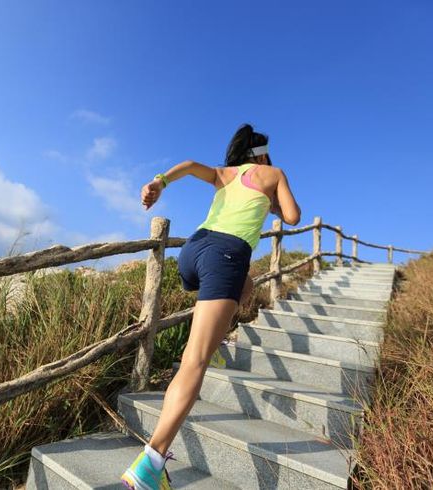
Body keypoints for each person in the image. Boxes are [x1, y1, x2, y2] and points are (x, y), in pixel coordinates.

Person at [120, 124, 301, 489]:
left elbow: (187, 165)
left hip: (193, 251)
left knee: (245, 286)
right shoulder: (273, 173)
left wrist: (158, 182)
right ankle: (151, 464)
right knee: (194, 361)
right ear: (262, 153)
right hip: (226, 253)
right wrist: (274, 197)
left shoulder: (225, 174)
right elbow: (293, 216)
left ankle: (218, 340)